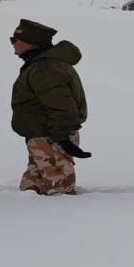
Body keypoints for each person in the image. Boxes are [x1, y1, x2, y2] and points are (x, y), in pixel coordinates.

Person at [9, 18, 90, 196]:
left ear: (29, 43)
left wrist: (62, 139)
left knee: (58, 194)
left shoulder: (45, 69)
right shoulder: (40, 65)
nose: (12, 44)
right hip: (43, 138)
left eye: (14, 40)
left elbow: (62, 107)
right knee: (31, 193)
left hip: (52, 139)